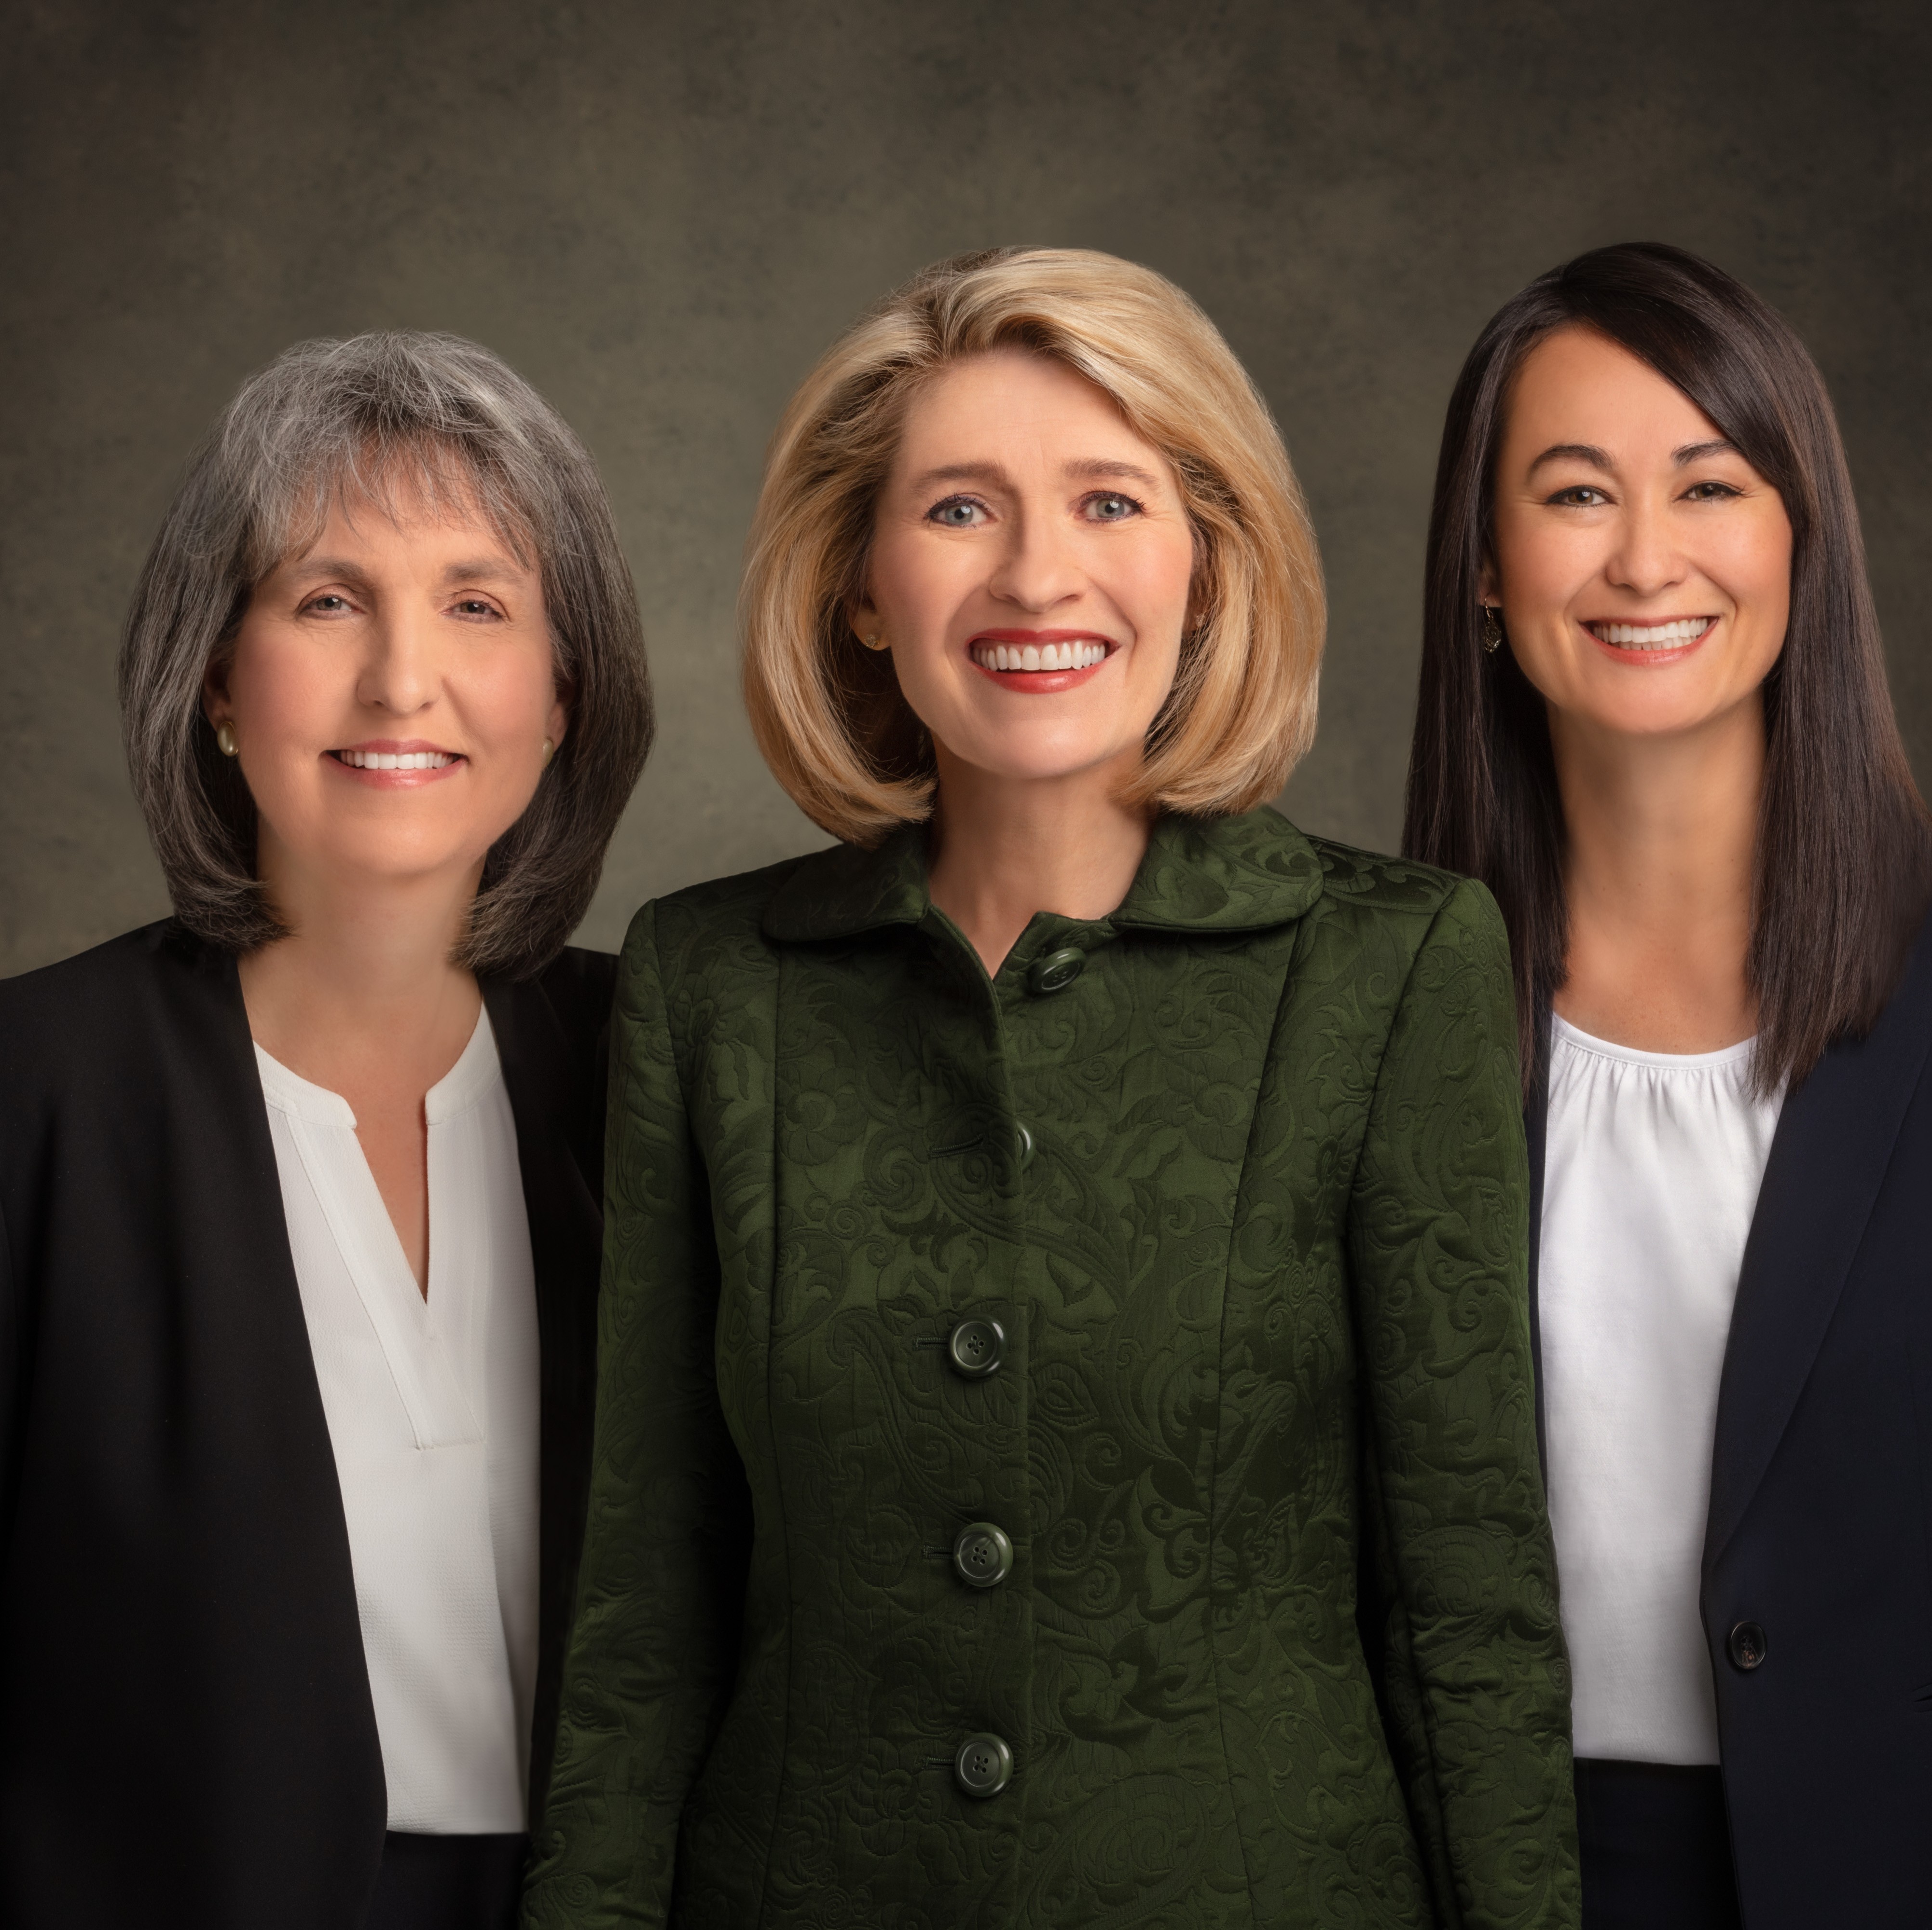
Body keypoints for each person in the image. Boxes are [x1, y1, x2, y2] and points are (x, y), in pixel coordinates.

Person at [521, 247, 1577, 1930]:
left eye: (1108, 502)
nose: (1036, 577)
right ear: (862, 582)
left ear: (1207, 565)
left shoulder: (1393, 969)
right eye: (958, 511)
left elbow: (1471, 1608)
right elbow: (645, 1611)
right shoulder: (712, 987)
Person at [1402, 241, 1932, 1930]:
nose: (1644, 559)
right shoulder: (1378, 1008)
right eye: (1573, 493)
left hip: (1917, 1876)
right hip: (1485, 1878)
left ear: (1799, 542)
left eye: (1710, 484)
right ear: (1485, 569)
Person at [0, 331, 653, 1930]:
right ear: (213, 675)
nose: (402, 679)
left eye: (478, 604)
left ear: (565, 692)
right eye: (327, 599)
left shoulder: (675, 1070)